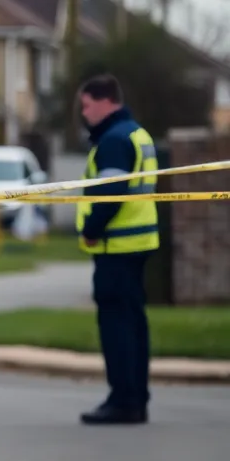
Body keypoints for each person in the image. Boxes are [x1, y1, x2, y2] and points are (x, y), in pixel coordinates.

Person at [75, 74, 158, 425]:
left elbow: (111, 194)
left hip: (116, 244)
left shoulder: (113, 140)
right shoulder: (137, 134)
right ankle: (135, 397)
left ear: (106, 100)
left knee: (117, 326)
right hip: (137, 242)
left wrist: (92, 229)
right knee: (134, 323)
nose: (84, 113)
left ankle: (123, 399)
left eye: (87, 105)